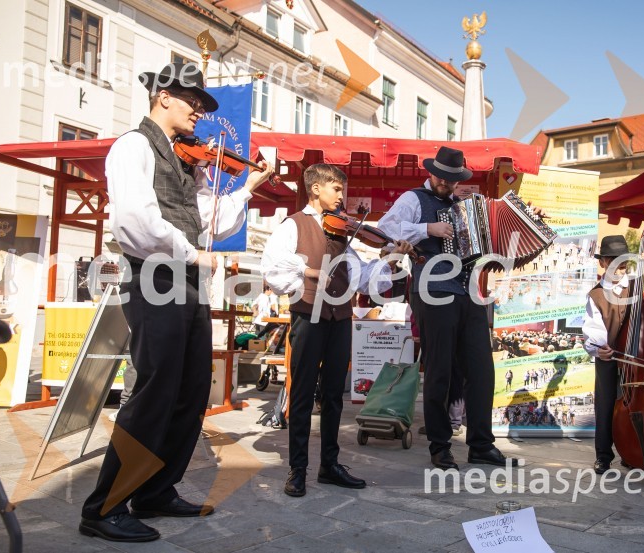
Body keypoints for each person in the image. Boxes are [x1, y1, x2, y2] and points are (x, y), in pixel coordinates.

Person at [78, 62, 274, 543]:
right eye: (193, 103)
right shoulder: (133, 145)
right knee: (154, 389)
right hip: (153, 279)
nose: (199, 114)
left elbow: (211, 219)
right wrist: (192, 253)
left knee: (189, 391)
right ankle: (102, 507)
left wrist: (247, 187)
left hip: (187, 281)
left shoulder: (186, 161)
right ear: (164, 96)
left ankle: (155, 490)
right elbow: (135, 221)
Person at [260, 163, 412, 497]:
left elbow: (363, 279)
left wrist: (391, 258)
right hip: (308, 317)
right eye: (336, 189)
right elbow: (272, 268)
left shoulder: (343, 234)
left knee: (332, 396)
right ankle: (297, 469)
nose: (342, 196)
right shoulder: (292, 226)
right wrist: (308, 270)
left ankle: (330, 465)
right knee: (301, 396)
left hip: (340, 319)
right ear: (315, 189)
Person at [378, 146, 508, 470]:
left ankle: (481, 444)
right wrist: (427, 230)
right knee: (439, 371)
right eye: (441, 177)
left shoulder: (464, 208)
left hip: (467, 293)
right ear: (431, 172)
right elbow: (385, 227)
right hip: (432, 291)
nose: (445, 184)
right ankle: (440, 446)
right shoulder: (412, 199)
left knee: (481, 369)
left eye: (452, 180)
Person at [582, 235, 644, 475]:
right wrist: (599, 348)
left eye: (623, 265)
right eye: (613, 263)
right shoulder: (596, 295)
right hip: (610, 358)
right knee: (605, 406)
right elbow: (592, 331)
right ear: (602, 263)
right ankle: (603, 455)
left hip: (640, 359)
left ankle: (634, 451)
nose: (618, 269)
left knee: (640, 405)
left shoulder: (638, 284)